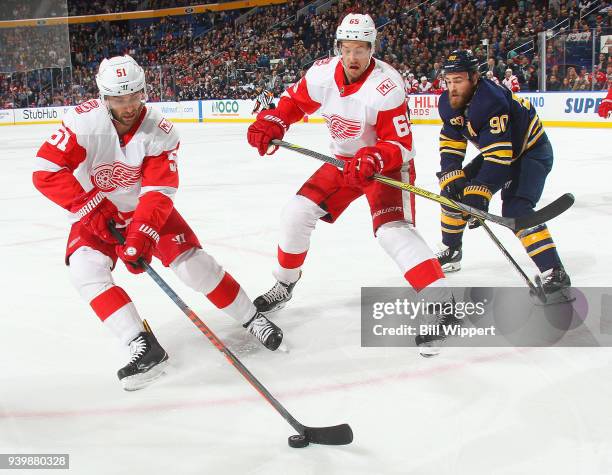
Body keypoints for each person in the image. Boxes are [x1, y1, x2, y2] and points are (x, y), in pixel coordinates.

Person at [32, 55, 283, 391]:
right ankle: (142, 343)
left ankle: (252, 318)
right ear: (104, 98)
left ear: (143, 91)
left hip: (143, 210)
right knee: (84, 269)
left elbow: (158, 193)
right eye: (119, 99)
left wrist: (141, 234)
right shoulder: (82, 123)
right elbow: (46, 172)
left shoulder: (160, 131)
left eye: (134, 95)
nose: (128, 105)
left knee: (194, 265)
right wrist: (91, 209)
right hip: (94, 212)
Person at [246, 13, 452, 354]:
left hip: (385, 166)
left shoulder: (386, 86)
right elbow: (295, 102)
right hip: (342, 162)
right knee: (296, 212)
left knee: (392, 231)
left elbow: (399, 144)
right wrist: (274, 120)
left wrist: (374, 158)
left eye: (361, 49)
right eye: (347, 48)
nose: (353, 57)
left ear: (372, 48)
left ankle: (442, 306)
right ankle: (285, 284)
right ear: (338, 47)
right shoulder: (323, 73)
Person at [435, 50, 571, 302]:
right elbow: (451, 140)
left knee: (516, 207)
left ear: (475, 77)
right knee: (452, 194)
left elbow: (500, 158)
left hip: (531, 151)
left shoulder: (491, 100)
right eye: (449, 81)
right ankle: (452, 249)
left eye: (459, 80)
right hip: (500, 152)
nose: (452, 87)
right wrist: (451, 173)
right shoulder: (448, 101)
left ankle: (554, 270)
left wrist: (479, 195)